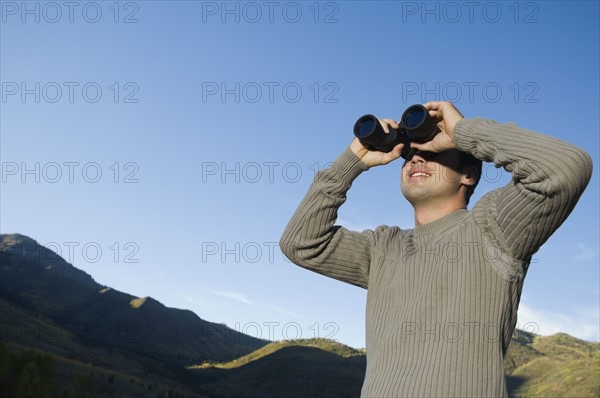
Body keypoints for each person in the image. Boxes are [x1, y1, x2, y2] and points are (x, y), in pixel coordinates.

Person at [279, 101, 592, 397]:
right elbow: (300, 243)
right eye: (409, 154)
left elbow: (565, 168)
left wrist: (463, 132)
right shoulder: (382, 247)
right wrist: (352, 162)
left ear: (468, 174)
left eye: (432, 152)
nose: (416, 158)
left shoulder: (494, 229)